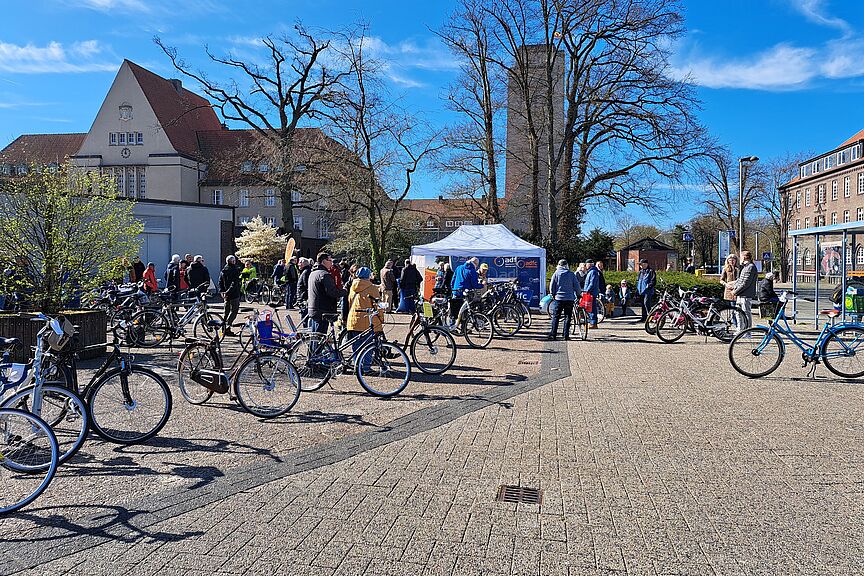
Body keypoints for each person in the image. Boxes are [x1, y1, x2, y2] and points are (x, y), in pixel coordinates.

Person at [346, 267, 383, 363]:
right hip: (367, 319)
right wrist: (381, 318)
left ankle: (356, 365)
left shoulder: (352, 287)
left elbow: (350, 303)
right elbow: (377, 305)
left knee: (356, 345)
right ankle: (366, 367)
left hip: (353, 319)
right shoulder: (372, 288)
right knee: (368, 346)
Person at [307, 252, 348, 336]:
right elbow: (332, 292)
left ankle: (313, 349)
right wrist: (345, 291)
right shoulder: (324, 275)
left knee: (315, 337)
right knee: (319, 337)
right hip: (323, 310)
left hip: (314, 308)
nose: (331, 263)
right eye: (330, 260)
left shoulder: (313, 273)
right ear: (323, 261)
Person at [547, 259, 579, 340]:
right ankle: (565, 335)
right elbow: (577, 286)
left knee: (556, 317)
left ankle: (553, 334)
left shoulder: (556, 274)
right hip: (569, 299)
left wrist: (553, 294)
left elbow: (552, 286)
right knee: (568, 317)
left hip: (559, 299)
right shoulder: (571, 274)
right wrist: (578, 294)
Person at [450, 257, 483, 326]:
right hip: (465, 293)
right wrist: (482, 285)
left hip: (456, 291)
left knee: (454, 309)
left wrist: (453, 288)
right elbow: (474, 285)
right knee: (465, 311)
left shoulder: (459, 267)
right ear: (476, 264)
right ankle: (463, 328)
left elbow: (453, 279)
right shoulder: (472, 271)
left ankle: (452, 325)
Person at [733, 250, 758, 333]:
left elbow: (745, 283)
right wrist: (733, 286)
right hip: (741, 294)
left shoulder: (750, 267)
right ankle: (740, 330)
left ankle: (747, 331)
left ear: (744, 257)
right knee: (738, 313)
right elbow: (740, 280)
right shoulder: (745, 267)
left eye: (741, 256)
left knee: (746, 313)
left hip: (746, 295)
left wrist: (735, 291)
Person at [218, 255, 242, 336]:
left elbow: (220, 282)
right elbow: (234, 283)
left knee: (226, 312)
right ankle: (227, 327)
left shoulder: (223, 270)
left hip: (226, 294)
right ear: (233, 261)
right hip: (234, 294)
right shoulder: (235, 270)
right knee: (234, 311)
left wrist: (222, 291)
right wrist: (228, 292)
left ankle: (223, 329)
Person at [582, 259, 600, 328]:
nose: (585, 266)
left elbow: (592, 283)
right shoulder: (592, 271)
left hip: (591, 293)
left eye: (586, 264)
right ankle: (592, 322)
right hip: (590, 292)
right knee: (590, 308)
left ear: (589, 264)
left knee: (591, 308)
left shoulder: (593, 272)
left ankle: (593, 323)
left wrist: (587, 290)